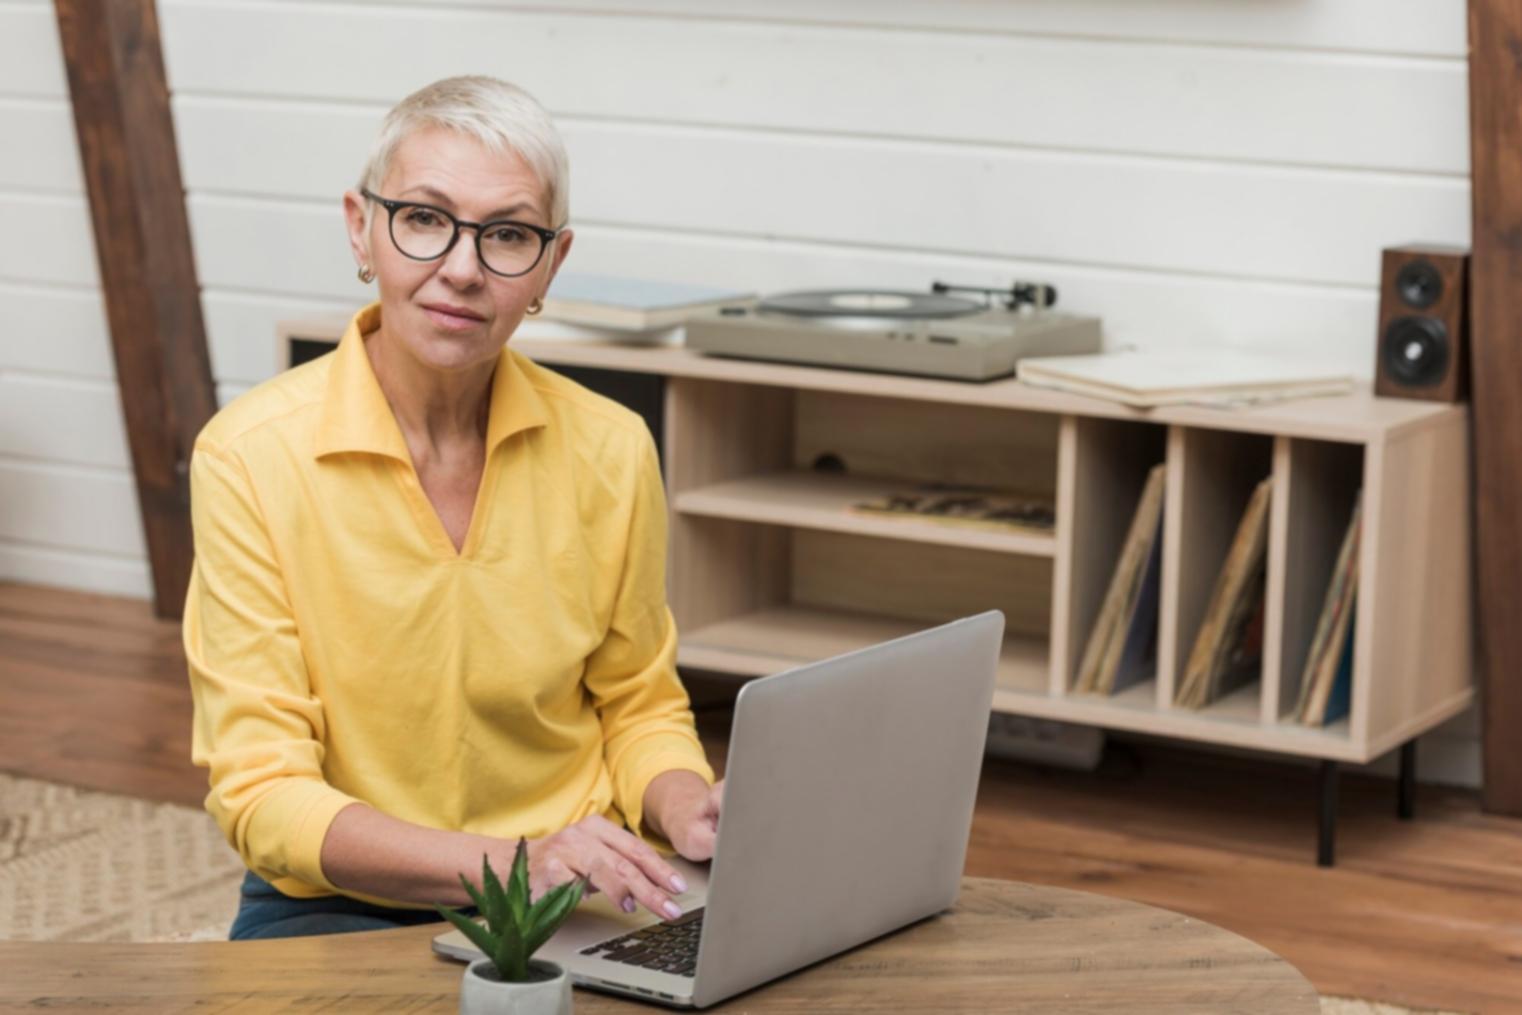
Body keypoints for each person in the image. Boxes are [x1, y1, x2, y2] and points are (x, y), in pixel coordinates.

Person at [182, 75, 722, 941]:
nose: (463, 269)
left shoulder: (613, 447)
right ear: (361, 228)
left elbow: (637, 704)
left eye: (508, 234)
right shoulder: (247, 456)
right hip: (342, 896)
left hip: (581, 882)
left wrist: (684, 802)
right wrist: (515, 859)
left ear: (551, 263)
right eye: (425, 218)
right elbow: (264, 793)